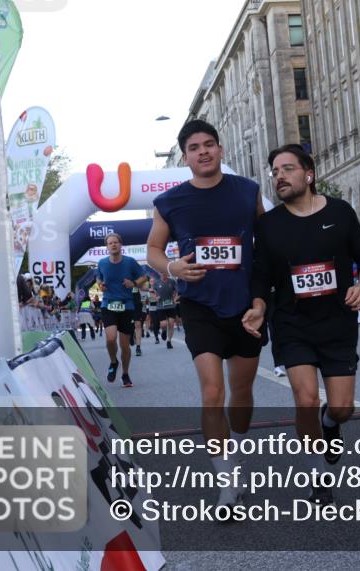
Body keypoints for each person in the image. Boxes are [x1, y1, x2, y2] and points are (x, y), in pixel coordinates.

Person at [244, 144, 360, 506]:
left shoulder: (340, 212)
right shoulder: (268, 226)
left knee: (342, 408)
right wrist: (257, 306)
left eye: (287, 168)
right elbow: (260, 277)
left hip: (337, 323)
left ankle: (330, 423)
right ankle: (318, 475)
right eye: (274, 171)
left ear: (308, 174)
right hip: (292, 322)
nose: (279, 176)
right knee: (305, 398)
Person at [146, 119, 266, 508]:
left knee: (242, 395)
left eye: (209, 144)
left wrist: (264, 299)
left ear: (220, 149)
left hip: (245, 306)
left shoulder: (247, 192)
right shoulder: (170, 201)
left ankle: (238, 451)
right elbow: (153, 251)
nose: (203, 152)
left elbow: (266, 245)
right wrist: (172, 268)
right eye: (195, 147)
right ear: (186, 157)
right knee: (212, 392)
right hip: (199, 307)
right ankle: (226, 479)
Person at [96, 233, 148, 388]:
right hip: (108, 304)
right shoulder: (102, 263)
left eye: (116, 242)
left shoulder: (130, 262)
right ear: (107, 247)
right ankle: (113, 362)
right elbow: (98, 278)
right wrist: (100, 285)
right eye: (110, 243)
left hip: (127, 306)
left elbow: (144, 277)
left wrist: (133, 283)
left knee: (125, 346)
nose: (113, 245)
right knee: (110, 338)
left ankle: (125, 374)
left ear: (120, 245)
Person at [153, 275, 178, 349]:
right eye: (161, 273)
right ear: (159, 274)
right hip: (161, 306)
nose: (163, 274)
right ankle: (164, 330)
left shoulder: (172, 281)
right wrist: (155, 297)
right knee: (164, 324)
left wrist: (175, 298)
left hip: (171, 306)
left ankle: (169, 341)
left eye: (164, 273)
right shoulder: (157, 283)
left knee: (171, 324)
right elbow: (153, 292)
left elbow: (176, 290)